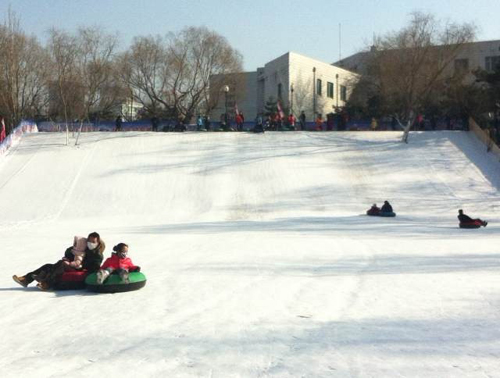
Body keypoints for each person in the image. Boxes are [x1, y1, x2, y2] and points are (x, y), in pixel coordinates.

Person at [13, 236, 88, 290]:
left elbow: (79, 264)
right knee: (48, 266)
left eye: (76, 243)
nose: (74, 244)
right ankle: (26, 279)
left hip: (75, 269)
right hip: (69, 266)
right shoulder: (73, 250)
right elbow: (68, 254)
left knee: (61, 263)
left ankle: (46, 283)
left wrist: (70, 262)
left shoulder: (82, 253)